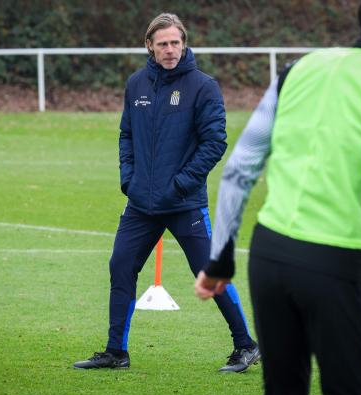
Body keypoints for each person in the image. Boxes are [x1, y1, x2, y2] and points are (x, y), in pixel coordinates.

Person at [195, 0, 361, 395]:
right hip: (335, 264)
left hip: (269, 257)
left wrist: (220, 261)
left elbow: (239, 168)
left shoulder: (300, 67)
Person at [74, 13, 259, 373]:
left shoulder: (203, 86)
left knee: (207, 271)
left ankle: (246, 345)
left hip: (184, 202)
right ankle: (116, 353)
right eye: (162, 44)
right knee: (121, 266)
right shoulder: (136, 84)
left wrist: (180, 184)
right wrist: (128, 178)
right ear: (149, 46)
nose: (170, 49)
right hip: (141, 203)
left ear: (184, 43)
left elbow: (214, 142)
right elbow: (126, 134)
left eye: (175, 42)